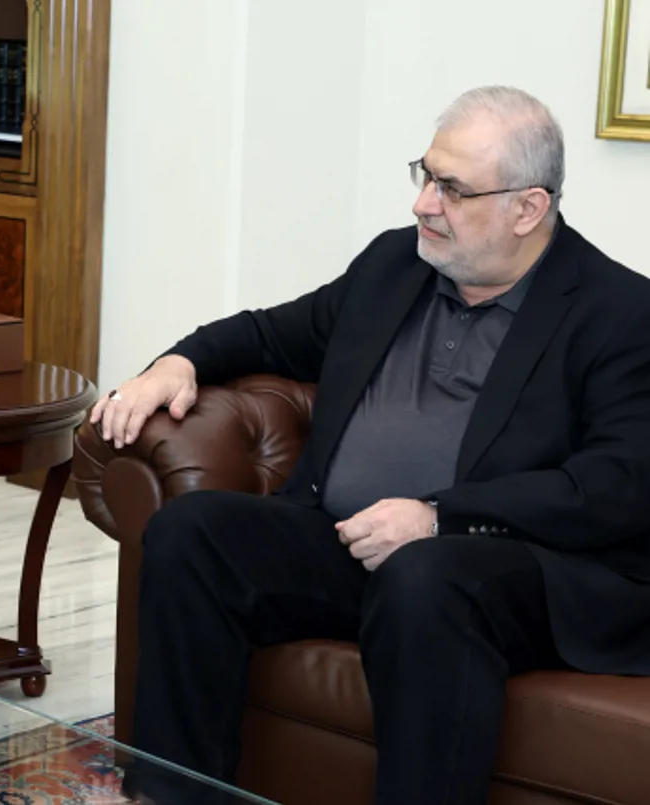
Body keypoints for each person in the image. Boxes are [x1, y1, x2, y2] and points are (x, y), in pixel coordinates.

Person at [90, 86, 650, 805]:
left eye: (452, 189)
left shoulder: (618, 313)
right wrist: (179, 361)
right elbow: (271, 333)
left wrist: (439, 516)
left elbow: (613, 484)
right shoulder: (395, 265)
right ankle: (173, 796)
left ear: (528, 209)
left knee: (425, 578)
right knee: (191, 533)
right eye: (426, 174)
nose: (423, 204)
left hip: (514, 571)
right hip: (349, 540)